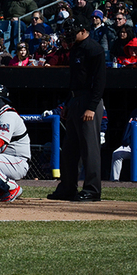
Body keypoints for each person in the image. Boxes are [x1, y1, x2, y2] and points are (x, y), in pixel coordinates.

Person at [48, 16, 106, 202]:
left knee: (90, 148)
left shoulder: (94, 49)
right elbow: (74, 80)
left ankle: (92, 189)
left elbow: (99, 81)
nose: (69, 34)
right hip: (74, 100)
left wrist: (91, 107)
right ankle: (67, 187)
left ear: (83, 30)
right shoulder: (75, 49)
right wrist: (67, 103)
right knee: (69, 148)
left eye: (72, 30)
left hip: (89, 100)